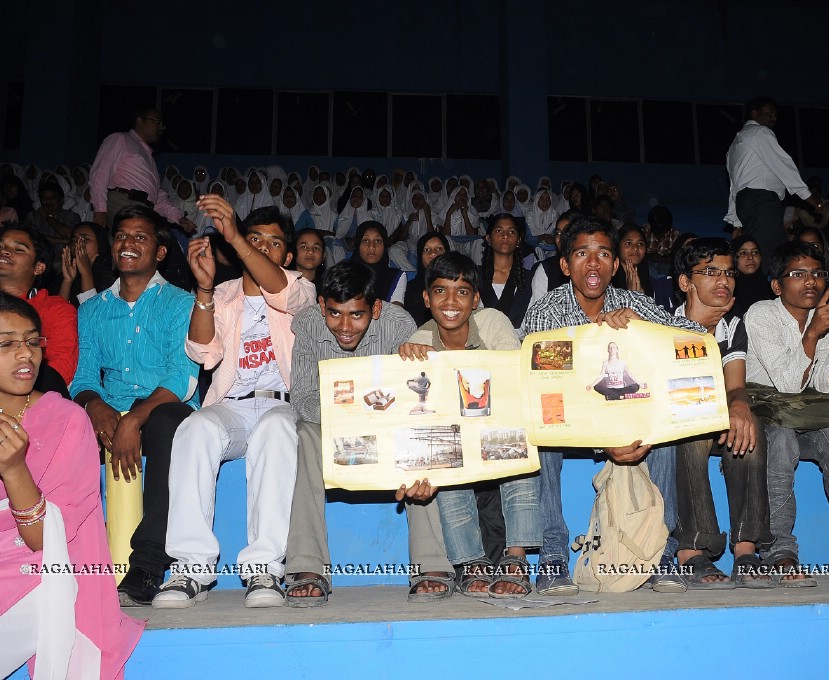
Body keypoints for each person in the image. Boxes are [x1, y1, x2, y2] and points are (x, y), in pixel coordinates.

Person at [522, 215, 705, 595]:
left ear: (616, 264)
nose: (593, 264)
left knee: (666, 434)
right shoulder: (546, 313)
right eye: (582, 254)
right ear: (564, 265)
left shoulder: (633, 303)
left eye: (603, 254)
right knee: (538, 434)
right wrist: (603, 436)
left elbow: (697, 339)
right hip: (569, 420)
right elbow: (539, 387)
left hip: (629, 418)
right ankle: (553, 554)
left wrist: (645, 328)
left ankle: (663, 553)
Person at [152, 201, 316, 609]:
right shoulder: (223, 293)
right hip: (234, 405)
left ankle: (264, 569)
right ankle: (190, 567)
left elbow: (278, 289)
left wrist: (237, 237)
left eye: (272, 242)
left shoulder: (301, 288)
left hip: (282, 404)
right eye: (254, 238)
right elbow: (203, 352)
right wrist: (204, 288)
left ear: (288, 255)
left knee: (278, 430)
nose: (261, 248)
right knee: (194, 428)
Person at [0, 294, 143, 678]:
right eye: (7, 344)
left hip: (45, 571)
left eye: (32, 342)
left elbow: (44, 539)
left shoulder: (65, 419)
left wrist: (13, 469)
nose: (25, 355)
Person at [69, 205, 200, 606]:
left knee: (164, 423)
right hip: (113, 409)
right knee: (67, 423)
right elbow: (84, 378)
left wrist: (135, 418)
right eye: (122, 236)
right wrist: (94, 406)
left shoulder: (180, 303)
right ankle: (76, 562)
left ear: (160, 252)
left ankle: (146, 565)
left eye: (140, 237)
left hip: (165, 408)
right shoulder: (92, 310)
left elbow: (182, 377)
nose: (128, 243)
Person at [399, 253, 540, 597]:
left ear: (475, 299)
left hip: (497, 426)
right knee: (444, 445)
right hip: (455, 437)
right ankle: (470, 560)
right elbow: (414, 416)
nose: (450, 302)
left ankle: (516, 556)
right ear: (426, 298)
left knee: (517, 433)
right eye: (441, 291)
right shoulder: (418, 341)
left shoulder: (492, 321)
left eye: (462, 292)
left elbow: (513, 381)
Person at [284, 261, 419, 606]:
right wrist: (354, 414)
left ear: (375, 309)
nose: (344, 326)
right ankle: (308, 567)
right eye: (334, 313)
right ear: (321, 306)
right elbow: (303, 399)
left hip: (387, 429)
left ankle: (431, 564)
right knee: (305, 433)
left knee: (419, 436)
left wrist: (371, 417)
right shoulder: (308, 326)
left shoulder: (399, 325)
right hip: (332, 430)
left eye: (356, 315)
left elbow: (411, 396)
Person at [744, 240, 829, 586]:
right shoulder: (763, 314)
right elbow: (786, 384)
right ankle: (779, 550)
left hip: (807, 414)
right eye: (797, 274)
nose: (810, 281)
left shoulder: (824, 315)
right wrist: (814, 332)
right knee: (780, 442)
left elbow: (827, 388)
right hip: (767, 414)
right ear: (777, 285)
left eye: (817, 273)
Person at [671, 238, 773, 588]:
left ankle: (746, 548)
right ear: (686, 282)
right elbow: (674, 388)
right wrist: (698, 330)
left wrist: (741, 405)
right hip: (675, 421)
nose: (724, 280)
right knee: (693, 427)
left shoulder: (732, 325)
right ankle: (692, 547)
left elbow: (735, 386)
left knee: (749, 424)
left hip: (716, 414)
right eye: (710, 272)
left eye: (728, 273)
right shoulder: (664, 322)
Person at [724, 96, 822, 268]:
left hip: (748, 204)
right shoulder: (760, 133)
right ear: (754, 113)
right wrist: (808, 196)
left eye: (775, 115)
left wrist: (736, 222)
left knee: (781, 256)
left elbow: (734, 186)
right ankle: (756, 293)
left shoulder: (734, 145)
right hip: (762, 202)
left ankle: (780, 291)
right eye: (769, 113)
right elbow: (782, 164)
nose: (774, 118)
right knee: (763, 257)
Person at [88, 108, 195, 234]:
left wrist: (178, 218)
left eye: (162, 124)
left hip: (145, 209)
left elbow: (156, 198)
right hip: (124, 202)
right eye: (156, 121)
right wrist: (100, 210)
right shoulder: (120, 139)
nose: (161, 127)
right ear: (139, 121)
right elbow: (100, 175)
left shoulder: (149, 158)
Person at [0, 226, 78, 388]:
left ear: (38, 267)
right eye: (1, 246)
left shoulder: (55, 309)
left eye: (19, 249)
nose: (4, 251)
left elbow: (59, 371)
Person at [479, 214, 534, 330]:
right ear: (488, 238)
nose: (505, 236)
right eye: (499, 231)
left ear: (518, 240)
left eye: (512, 232)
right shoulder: (475, 276)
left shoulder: (530, 279)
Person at [58, 221, 118, 306]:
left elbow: (92, 314)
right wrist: (67, 281)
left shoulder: (111, 280)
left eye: (85, 239)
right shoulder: (64, 275)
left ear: (100, 243)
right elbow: (57, 313)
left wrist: (86, 274)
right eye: (74, 240)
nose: (78, 244)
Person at [400, 233, 450, 326]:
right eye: (427, 250)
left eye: (439, 248)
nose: (433, 253)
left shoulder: (459, 284)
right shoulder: (410, 289)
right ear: (420, 256)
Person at [349, 221, 405, 304]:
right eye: (365, 240)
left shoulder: (395, 277)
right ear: (358, 244)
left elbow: (396, 313)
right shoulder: (345, 274)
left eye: (378, 241)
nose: (371, 247)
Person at [730, 236, 773, 319]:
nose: (750, 257)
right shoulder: (729, 290)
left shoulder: (772, 289)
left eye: (755, 252)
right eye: (743, 253)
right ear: (733, 258)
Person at [611, 225, 654, 297]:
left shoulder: (644, 271)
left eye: (640, 244)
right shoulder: (610, 278)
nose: (635, 248)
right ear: (617, 247)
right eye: (628, 243)